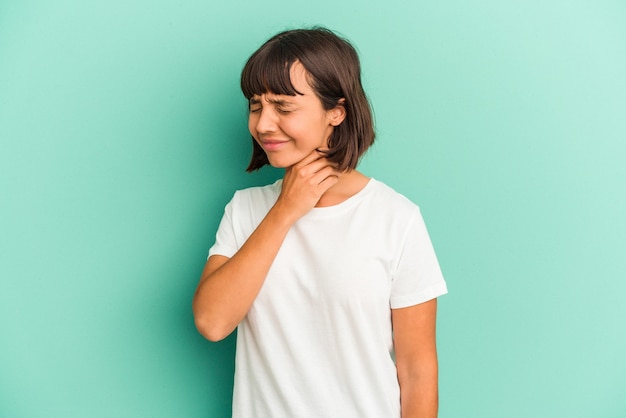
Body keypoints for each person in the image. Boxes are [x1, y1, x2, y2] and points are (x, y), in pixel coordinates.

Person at [192, 27, 448, 418]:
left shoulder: (396, 218)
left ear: (336, 112)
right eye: (256, 105)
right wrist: (285, 211)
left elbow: (417, 370)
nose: (262, 124)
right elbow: (212, 322)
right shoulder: (245, 209)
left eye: (284, 107)